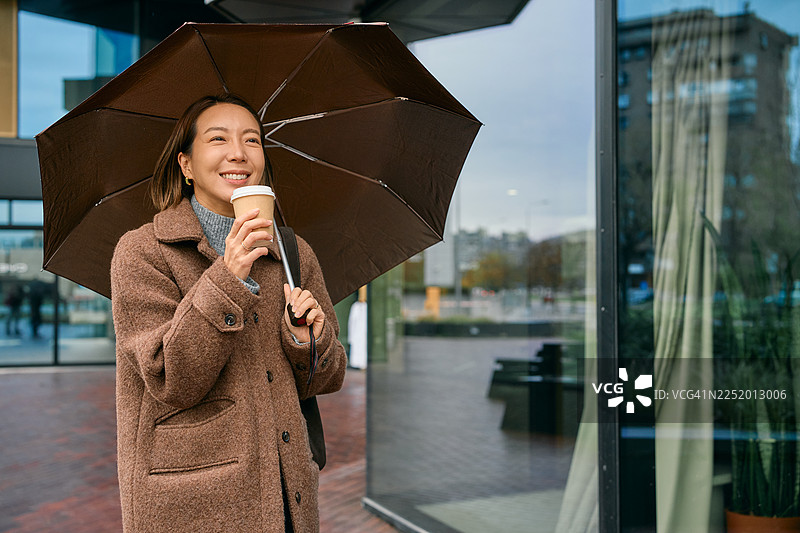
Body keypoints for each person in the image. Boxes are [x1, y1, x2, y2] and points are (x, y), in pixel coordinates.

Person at [110, 94, 347, 533]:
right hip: (191, 503)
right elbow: (171, 378)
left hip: (287, 497)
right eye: (218, 139)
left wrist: (307, 341)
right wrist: (229, 275)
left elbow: (327, 378)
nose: (238, 153)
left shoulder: (292, 253)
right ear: (185, 164)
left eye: (252, 140)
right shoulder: (142, 252)